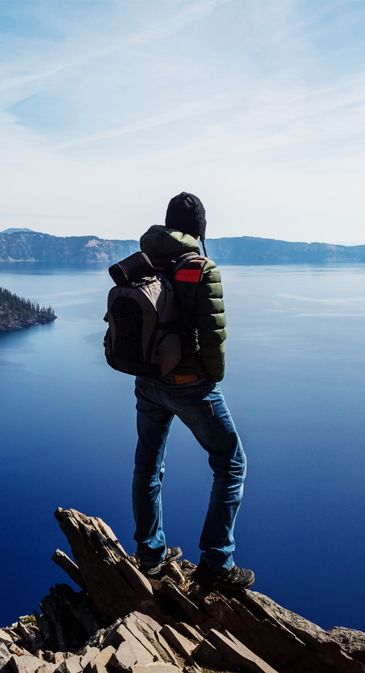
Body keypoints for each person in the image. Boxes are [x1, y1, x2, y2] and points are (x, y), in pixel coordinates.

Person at [131, 191, 253, 593]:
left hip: (148, 382)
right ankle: (217, 561)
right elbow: (213, 336)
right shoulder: (201, 267)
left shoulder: (143, 259)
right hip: (189, 386)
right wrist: (210, 380)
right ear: (199, 229)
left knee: (149, 466)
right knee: (231, 462)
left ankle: (150, 554)